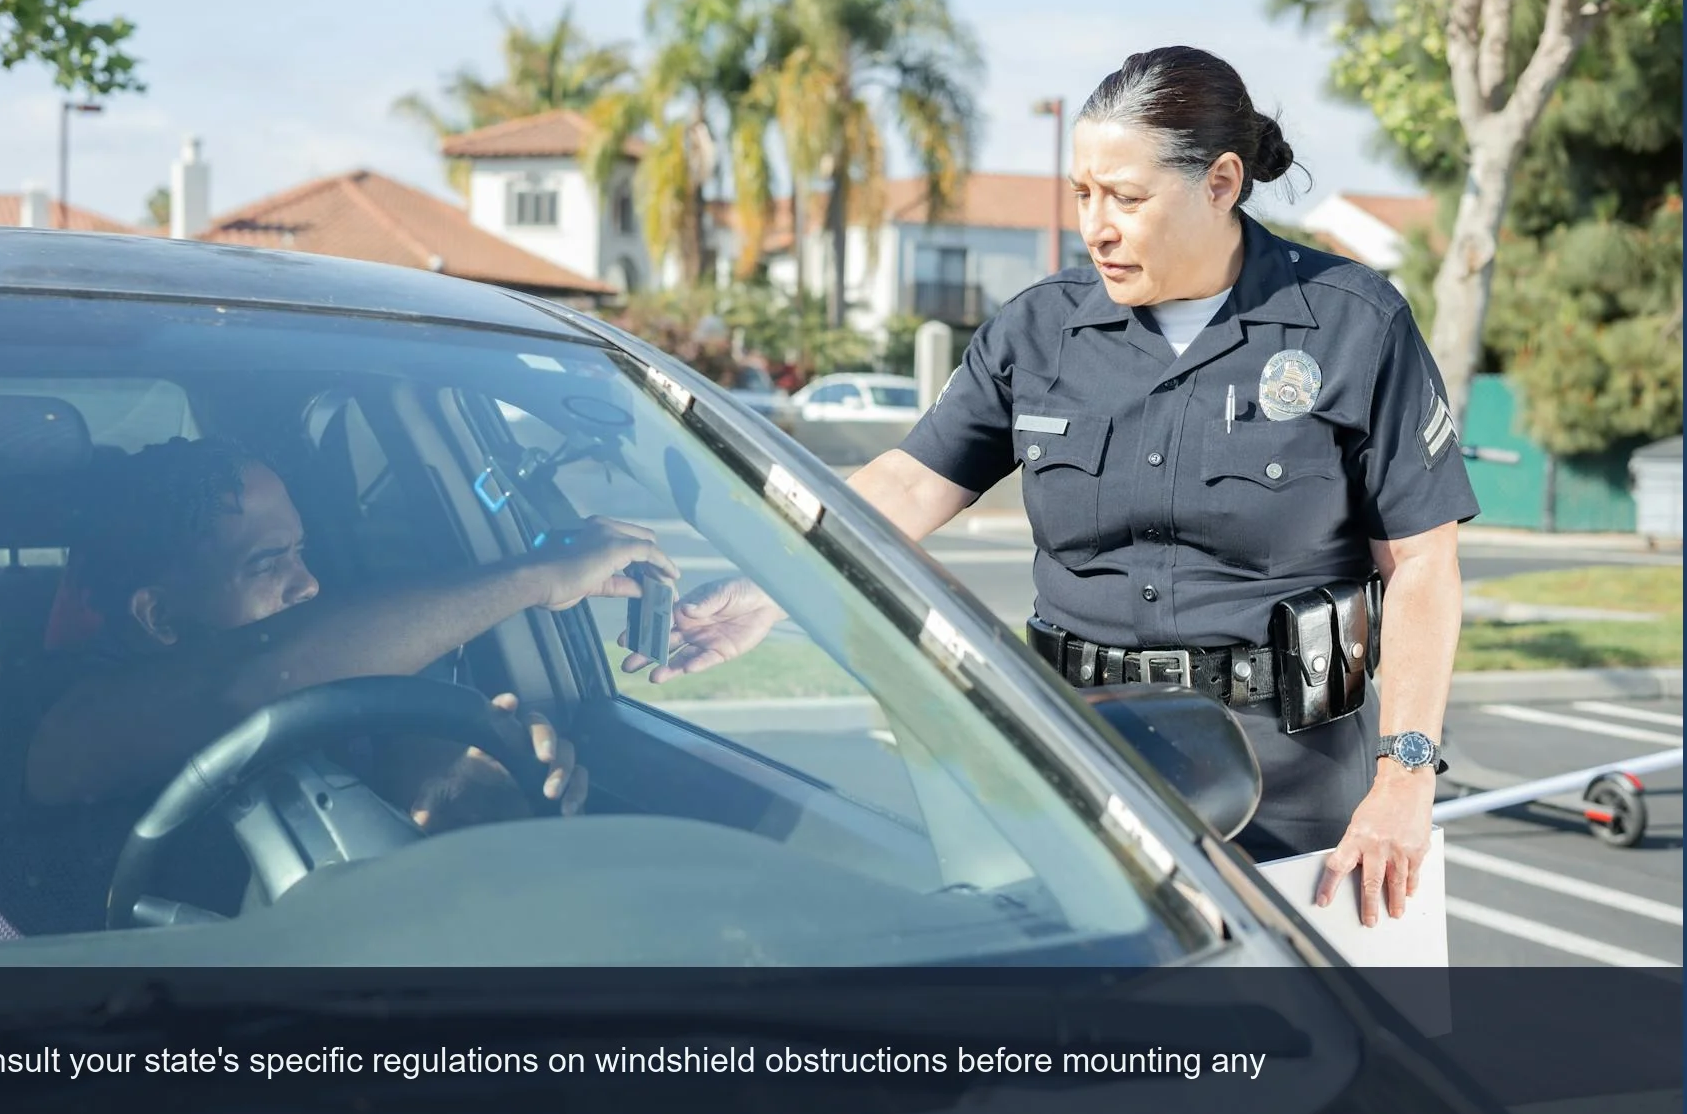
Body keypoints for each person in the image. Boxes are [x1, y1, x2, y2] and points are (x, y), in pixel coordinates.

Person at [624, 46, 1477, 929]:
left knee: (1307, 1056)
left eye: (1127, 198)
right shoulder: (1040, 330)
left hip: (1294, 789)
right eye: (1083, 194)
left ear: (1221, 182)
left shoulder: (1351, 321)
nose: (1096, 226)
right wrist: (769, 582)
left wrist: (1404, 775)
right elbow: (910, 488)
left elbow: (1421, 563)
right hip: (1078, 771)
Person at [0, 436, 677, 937]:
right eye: (268, 562)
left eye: (302, 550)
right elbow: (246, 681)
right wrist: (534, 578)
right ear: (159, 614)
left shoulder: (325, 708)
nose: (308, 583)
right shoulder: (41, 716)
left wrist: (438, 809)